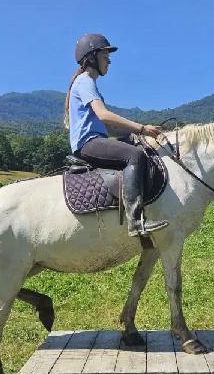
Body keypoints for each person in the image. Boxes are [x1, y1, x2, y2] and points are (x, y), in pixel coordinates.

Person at [64, 33, 169, 237]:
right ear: (92, 58)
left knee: (137, 146)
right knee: (135, 156)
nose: (109, 61)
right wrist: (141, 128)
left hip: (96, 139)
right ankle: (135, 220)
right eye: (105, 57)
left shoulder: (86, 83)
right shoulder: (85, 82)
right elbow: (104, 115)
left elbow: (108, 128)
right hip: (88, 144)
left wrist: (137, 134)